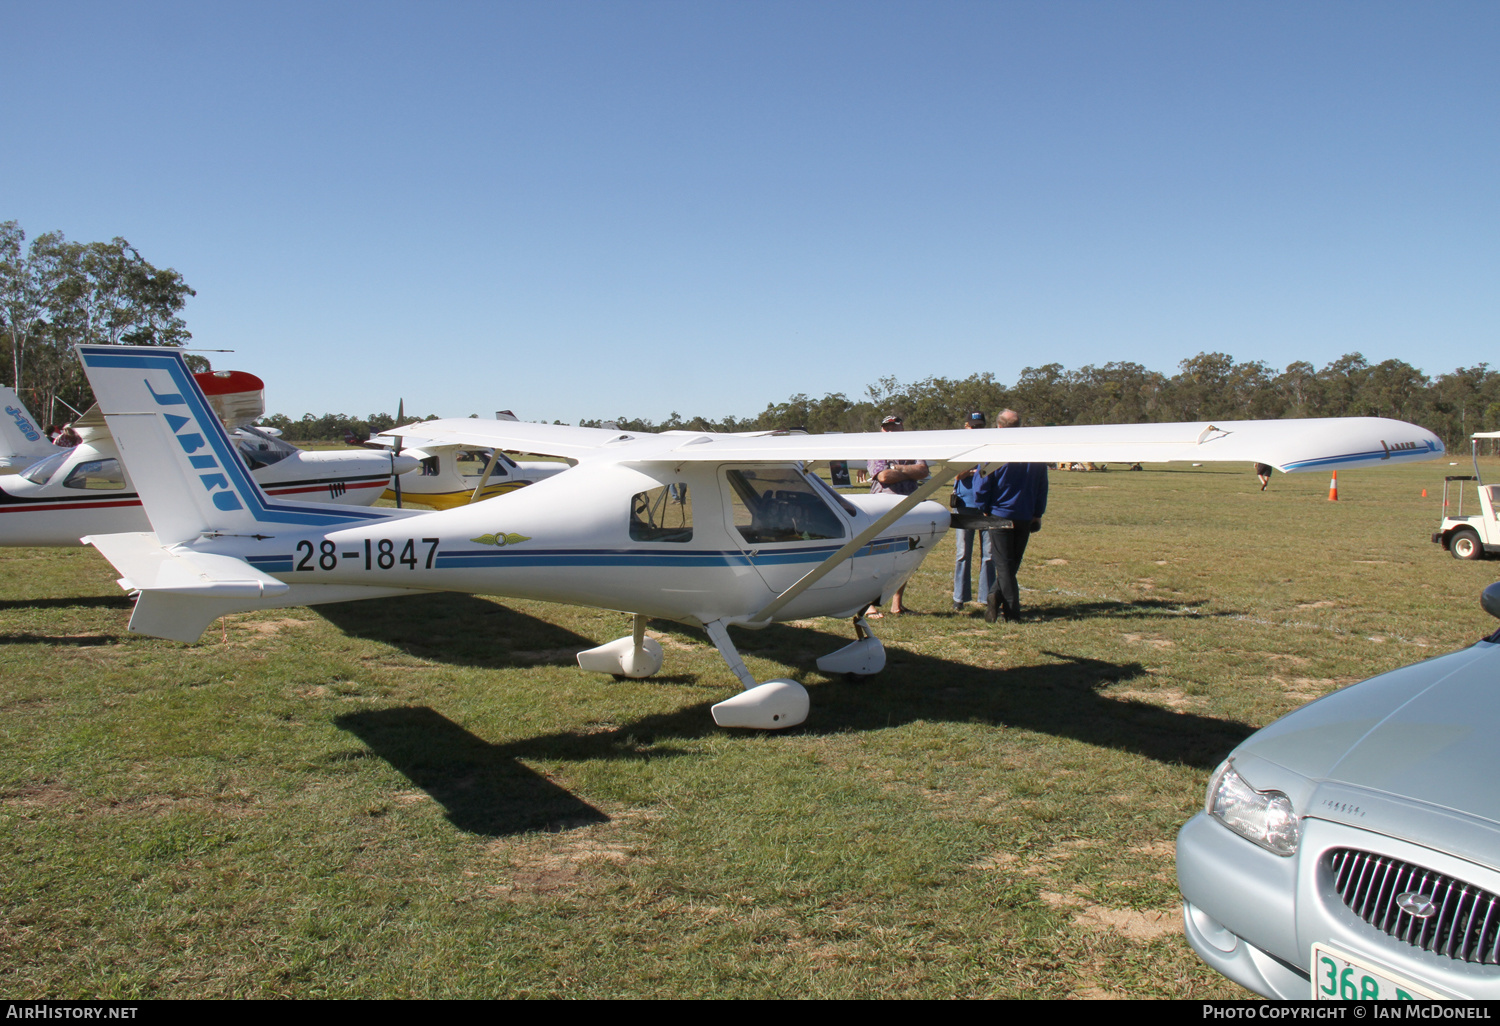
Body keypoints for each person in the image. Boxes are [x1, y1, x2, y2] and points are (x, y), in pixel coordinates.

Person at [977, 409, 1047, 624]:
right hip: (1024, 515)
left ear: (998, 426)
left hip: (999, 515)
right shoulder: (1033, 452)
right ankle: (1005, 608)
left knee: (1006, 567)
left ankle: (1007, 609)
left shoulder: (992, 451)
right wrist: (1037, 512)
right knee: (1011, 565)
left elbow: (981, 484)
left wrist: (983, 507)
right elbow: (1042, 486)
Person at [866, 414, 929, 616]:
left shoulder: (913, 446)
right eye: (887, 427)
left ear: (902, 428)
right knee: (876, 553)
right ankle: (869, 604)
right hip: (882, 505)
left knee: (906, 552)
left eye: (895, 427)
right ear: (882, 429)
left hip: (908, 504)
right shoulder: (876, 448)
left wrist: (897, 468)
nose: (891, 430)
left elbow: (923, 471)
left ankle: (897, 604)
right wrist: (909, 471)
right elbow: (883, 476)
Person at [951, 412, 988, 611]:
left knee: (989, 554)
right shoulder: (960, 447)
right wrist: (975, 467)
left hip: (987, 505)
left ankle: (986, 597)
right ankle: (959, 597)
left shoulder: (990, 446)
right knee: (963, 552)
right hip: (965, 504)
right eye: (973, 426)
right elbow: (957, 474)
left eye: (980, 426)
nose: (976, 430)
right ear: (966, 426)